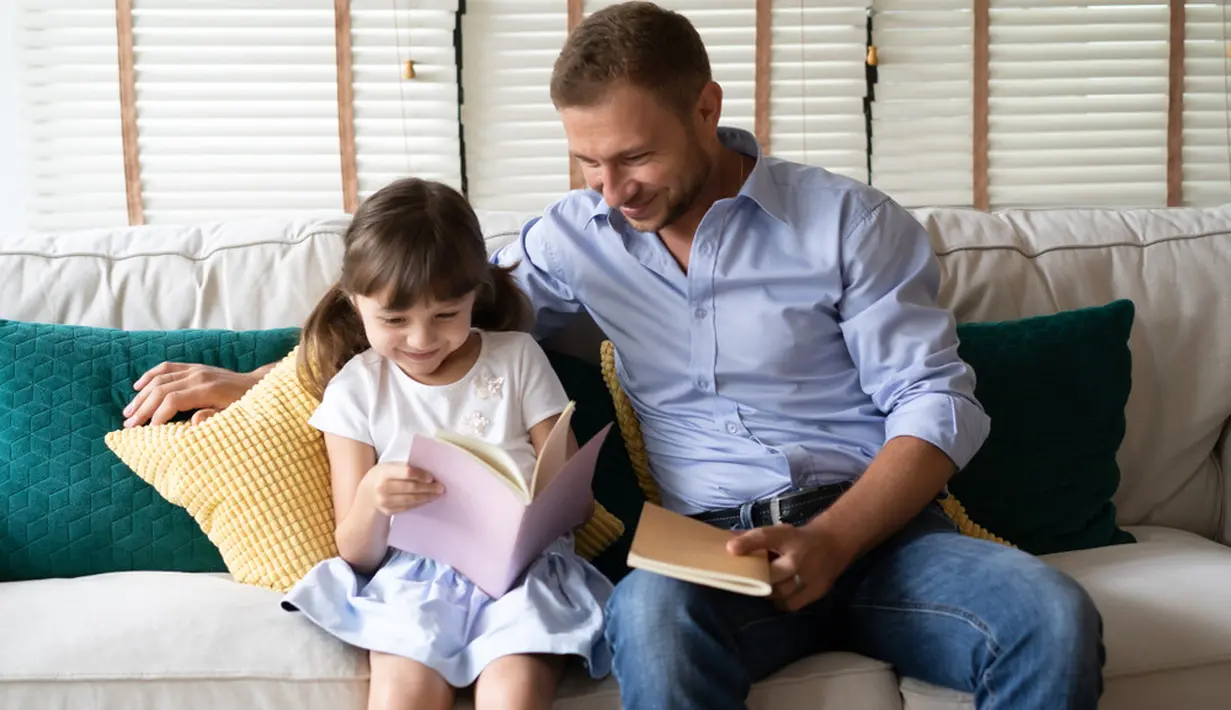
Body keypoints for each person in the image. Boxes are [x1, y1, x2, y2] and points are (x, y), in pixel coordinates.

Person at [124, 3, 1105, 709]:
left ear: (703, 107)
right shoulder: (577, 233)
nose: (610, 187)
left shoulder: (848, 223)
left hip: (883, 534)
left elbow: (933, 405)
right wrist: (261, 379)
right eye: (586, 163)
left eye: (631, 157)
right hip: (708, 546)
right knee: (647, 621)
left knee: (1048, 615)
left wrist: (835, 538)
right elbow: (430, 313)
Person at [272, 177, 612, 710]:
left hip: (522, 571)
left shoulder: (517, 358)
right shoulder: (357, 390)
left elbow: (576, 501)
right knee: (404, 694)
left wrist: (546, 504)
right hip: (414, 579)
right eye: (394, 320)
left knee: (514, 691)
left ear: (476, 295)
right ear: (355, 302)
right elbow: (355, 551)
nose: (422, 340)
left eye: (446, 316)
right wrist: (374, 498)